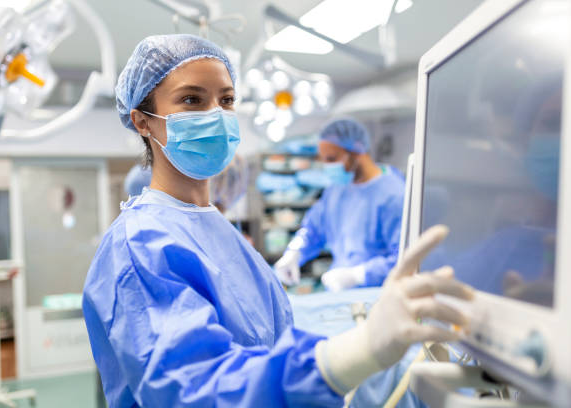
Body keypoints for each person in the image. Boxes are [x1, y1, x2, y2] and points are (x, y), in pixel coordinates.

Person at [82, 34, 474, 407]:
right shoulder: (140, 243)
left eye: (227, 99)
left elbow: (270, 340)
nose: (215, 115)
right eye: (191, 100)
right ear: (143, 121)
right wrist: (351, 354)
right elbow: (195, 392)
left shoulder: (212, 225)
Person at [275, 118, 405, 291]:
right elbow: (314, 229)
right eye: (323, 159)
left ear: (357, 151)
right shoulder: (336, 190)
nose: (327, 166)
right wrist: (295, 252)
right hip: (340, 296)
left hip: (379, 298)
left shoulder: (394, 195)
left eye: (331, 159)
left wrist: (358, 275)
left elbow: (404, 258)